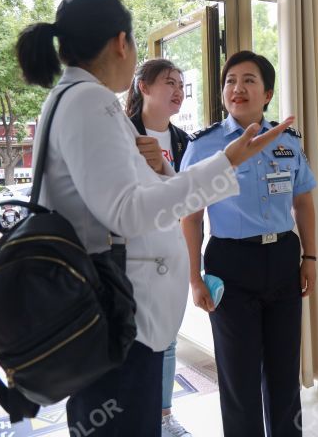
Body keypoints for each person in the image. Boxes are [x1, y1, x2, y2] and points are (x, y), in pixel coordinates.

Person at [15, 0, 294, 436]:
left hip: (116, 316)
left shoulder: (79, 98)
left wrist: (160, 166)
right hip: (114, 316)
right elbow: (127, 213)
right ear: (121, 42)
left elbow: (122, 197)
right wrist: (228, 162)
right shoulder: (90, 101)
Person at [180, 50, 317, 437]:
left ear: (267, 93)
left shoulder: (286, 140)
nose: (237, 88)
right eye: (230, 81)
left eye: (249, 80)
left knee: (284, 373)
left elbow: (303, 200)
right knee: (238, 377)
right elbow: (189, 217)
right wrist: (194, 278)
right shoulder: (203, 146)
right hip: (230, 263)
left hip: (283, 257)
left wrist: (310, 256)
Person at [125, 58, 192, 437]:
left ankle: (164, 418)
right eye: (169, 82)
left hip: (172, 254)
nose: (178, 90)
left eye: (181, 84)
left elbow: (189, 200)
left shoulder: (183, 140)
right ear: (143, 87)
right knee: (134, 343)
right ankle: (137, 418)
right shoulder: (123, 134)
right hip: (133, 258)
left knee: (167, 340)